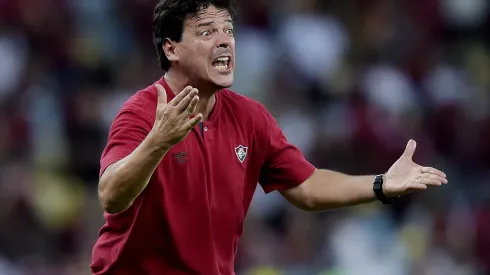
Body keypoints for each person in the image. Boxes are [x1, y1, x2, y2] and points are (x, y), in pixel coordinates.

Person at [90, 0, 448, 274]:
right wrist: (158, 141)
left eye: (228, 31)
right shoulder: (141, 112)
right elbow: (111, 195)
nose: (224, 43)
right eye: (206, 33)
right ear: (171, 49)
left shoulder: (250, 117)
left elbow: (307, 188)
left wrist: (381, 184)